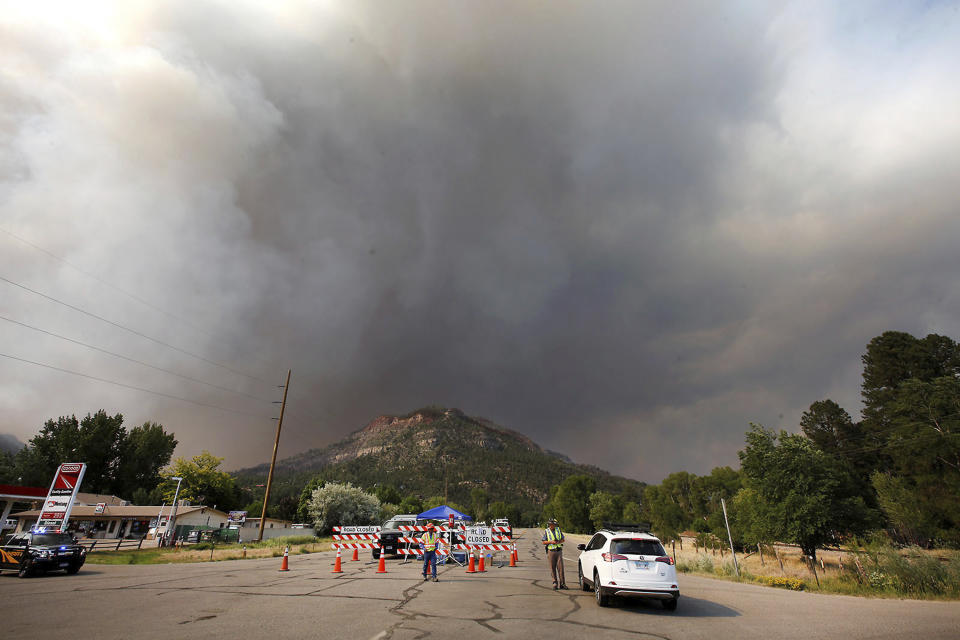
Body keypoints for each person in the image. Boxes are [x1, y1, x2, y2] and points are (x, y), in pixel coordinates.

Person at [542, 518, 567, 590]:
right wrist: (551, 542)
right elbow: (543, 542)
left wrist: (559, 542)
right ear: (549, 525)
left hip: (559, 551)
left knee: (560, 568)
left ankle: (562, 584)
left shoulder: (558, 530)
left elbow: (563, 539)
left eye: (553, 524)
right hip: (551, 551)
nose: (552, 526)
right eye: (551, 524)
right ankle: (554, 583)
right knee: (552, 568)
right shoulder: (547, 531)